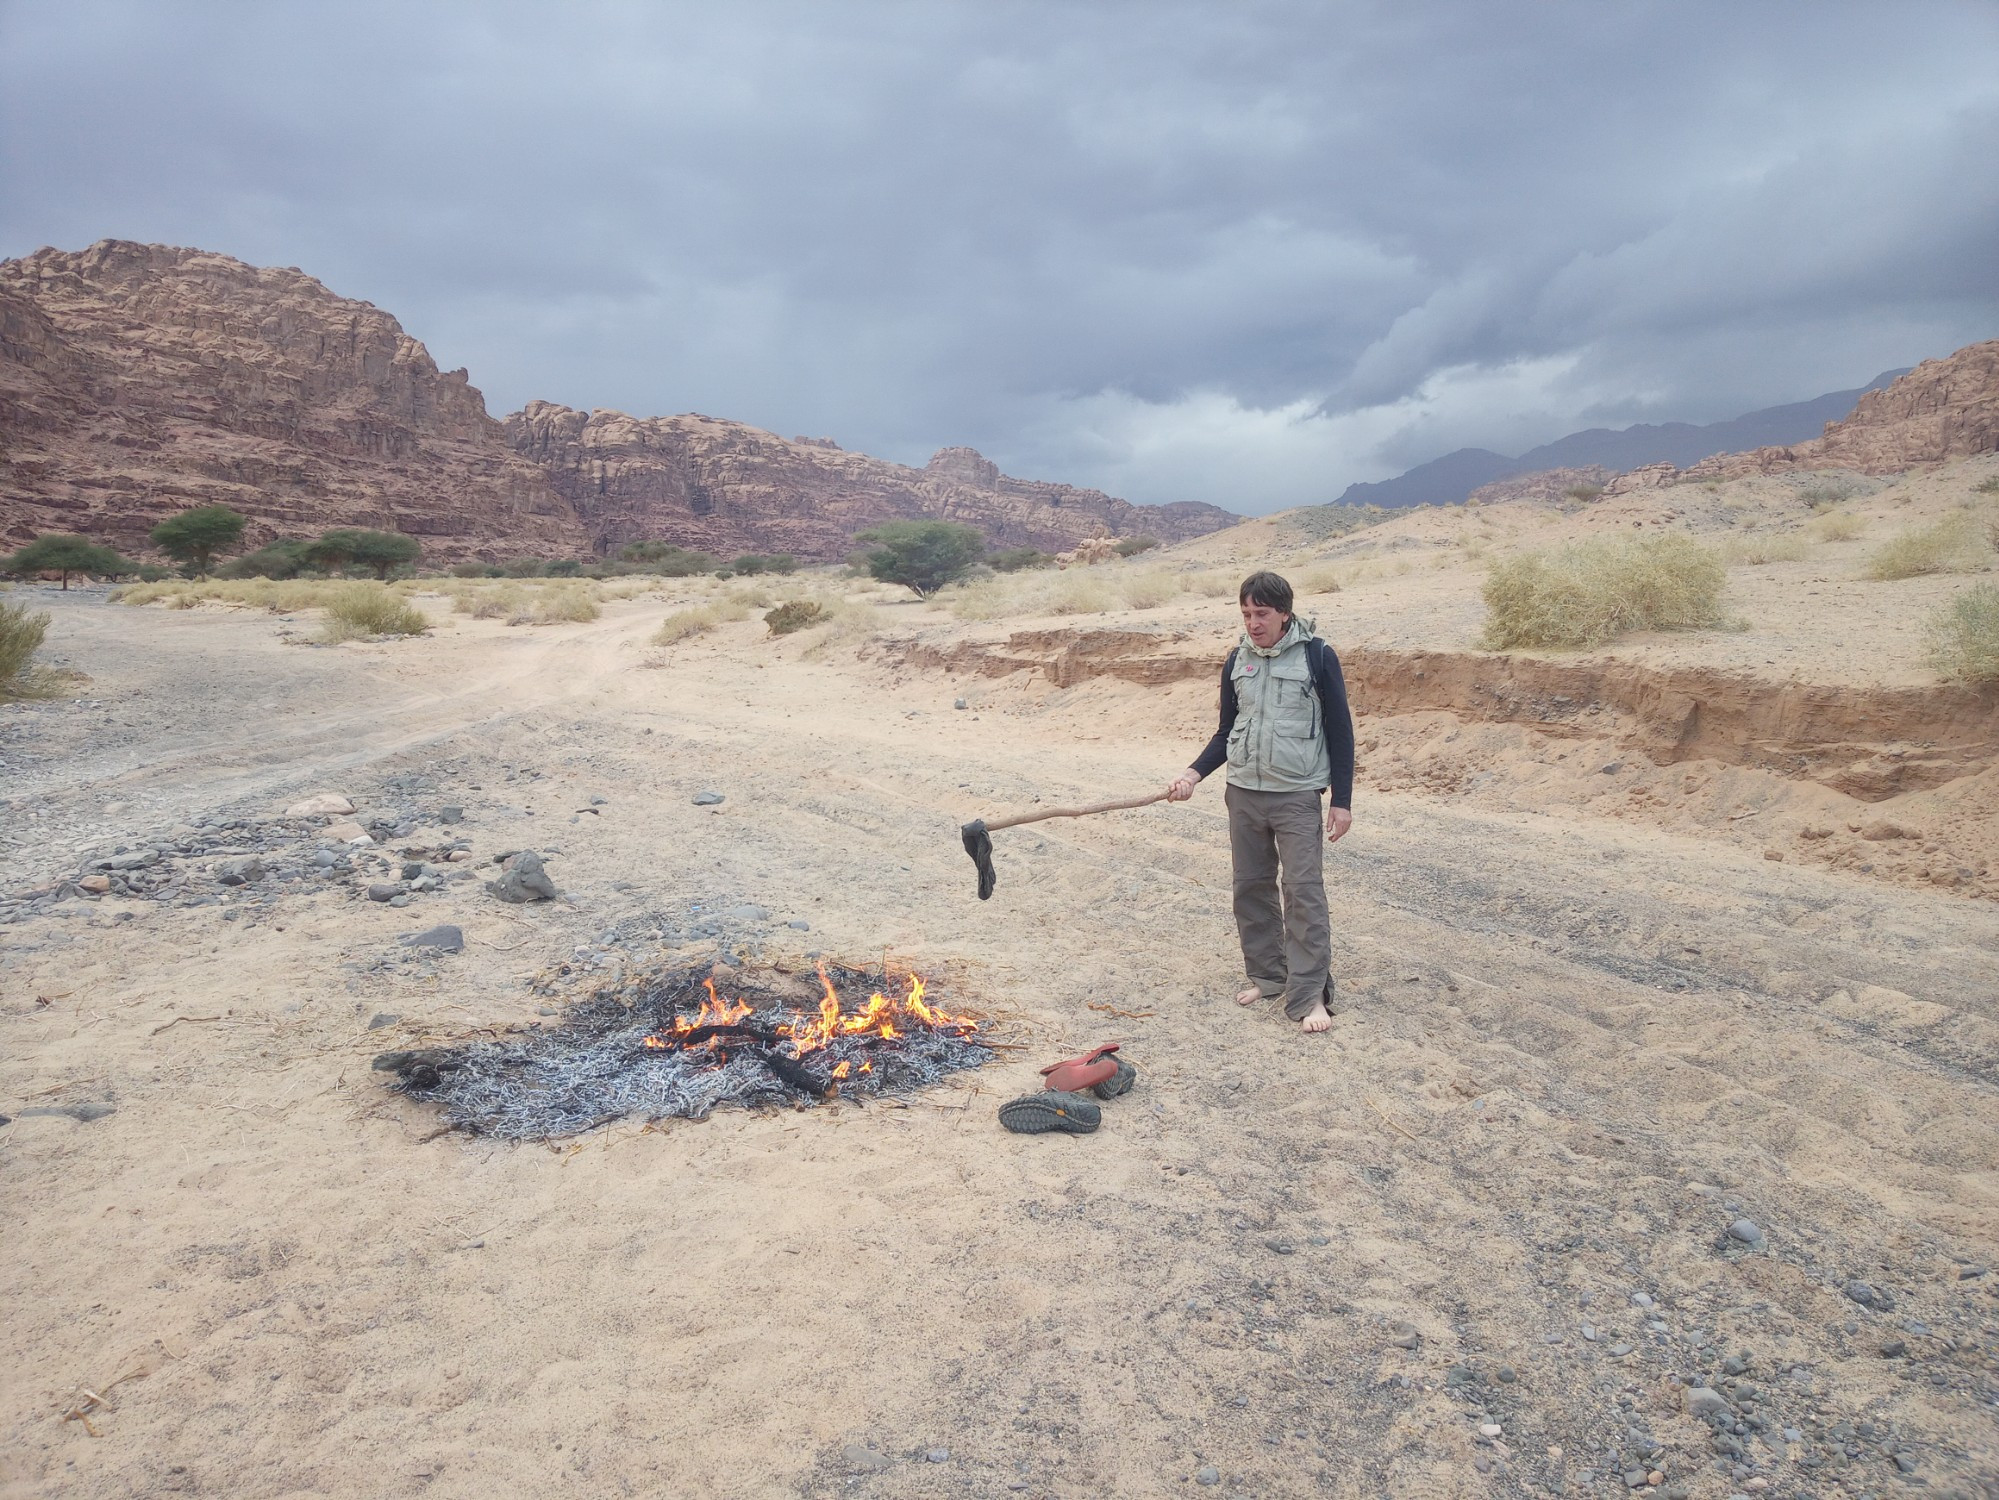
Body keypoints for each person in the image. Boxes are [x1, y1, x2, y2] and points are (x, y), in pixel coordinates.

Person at [1166, 571, 1354, 1034]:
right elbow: (1226, 731)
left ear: (1284, 613)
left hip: (1296, 794)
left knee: (1303, 893)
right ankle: (1269, 976)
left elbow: (1341, 731)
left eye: (1262, 614)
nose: (1253, 623)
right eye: (1246, 614)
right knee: (1250, 888)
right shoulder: (1236, 660)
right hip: (1244, 792)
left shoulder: (1318, 655)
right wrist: (1193, 774)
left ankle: (1309, 996)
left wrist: (1341, 800)